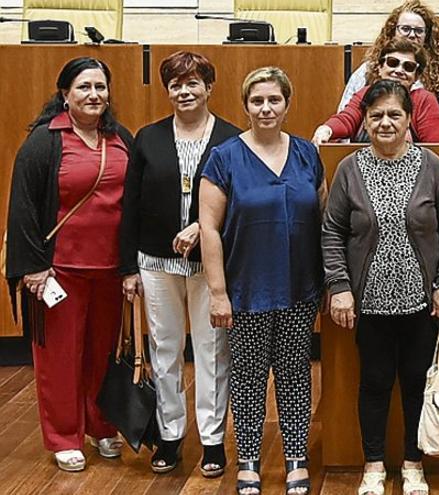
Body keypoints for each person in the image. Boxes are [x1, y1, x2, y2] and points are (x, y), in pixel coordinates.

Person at [322, 80, 439, 495]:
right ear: (364, 121)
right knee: (375, 381)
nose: (385, 122)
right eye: (376, 115)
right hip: (368, 301)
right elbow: (332, 232)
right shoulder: (350, 167)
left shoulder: (432, 165)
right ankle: (373, 465)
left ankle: (413, 463)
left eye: (394, 115)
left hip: (423, 300)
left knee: (417, 382)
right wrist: (340, 287)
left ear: (409, 121)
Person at [200, 67, 324, 494]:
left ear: (287, 104)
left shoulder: (308, 154)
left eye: (274, 100)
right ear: (245, 105)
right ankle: (249, 460)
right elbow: (209, 228)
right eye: (257, 101)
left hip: (299, 287)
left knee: (295, 375)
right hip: (246, 289)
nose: (266, 108)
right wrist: (218, 293)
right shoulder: (224, 157)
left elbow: (323, 220)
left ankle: (295, 458)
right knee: (249, 376)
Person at [5, 57, 132, 472]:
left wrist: (132, 264)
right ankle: (64, 436)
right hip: (58, 272)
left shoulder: (121, 139)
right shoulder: (44, 141)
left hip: (111, 271)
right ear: (65, 94)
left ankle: (102, 426)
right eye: (83, 87)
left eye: (100, 87)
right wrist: (34, 269)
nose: (94, 95)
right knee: (59, 358)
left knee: (101, 356)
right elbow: (22, 209)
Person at [119, 51, 240, 476]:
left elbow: (239, 206)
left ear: (209, 87)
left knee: (210, 352)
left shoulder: (231, 138)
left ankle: (211, 440)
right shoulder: (147, 138)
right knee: (165, 350)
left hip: (211, 267)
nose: (184, 91)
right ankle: (170, 436)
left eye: (193, 83)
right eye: (176, 84)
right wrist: (128, 269)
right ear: (167, 90)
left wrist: (200, 228)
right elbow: (129, 206)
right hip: (154, 263)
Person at [313, 38, 439, 144]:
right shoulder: (365, 93)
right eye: (393, 62)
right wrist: (327, 129)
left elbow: (433, 150)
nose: (399, 70)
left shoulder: (424, 100)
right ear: (380, 67)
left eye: (408, 67)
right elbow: (347, 119)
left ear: (416, 76)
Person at [337, 0, 439, 112]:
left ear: (426, 36)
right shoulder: (368, 69)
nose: (412, 35)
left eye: (418, 30)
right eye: (405, 29)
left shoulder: (437, 74)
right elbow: (345, 111)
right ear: (393, 31)